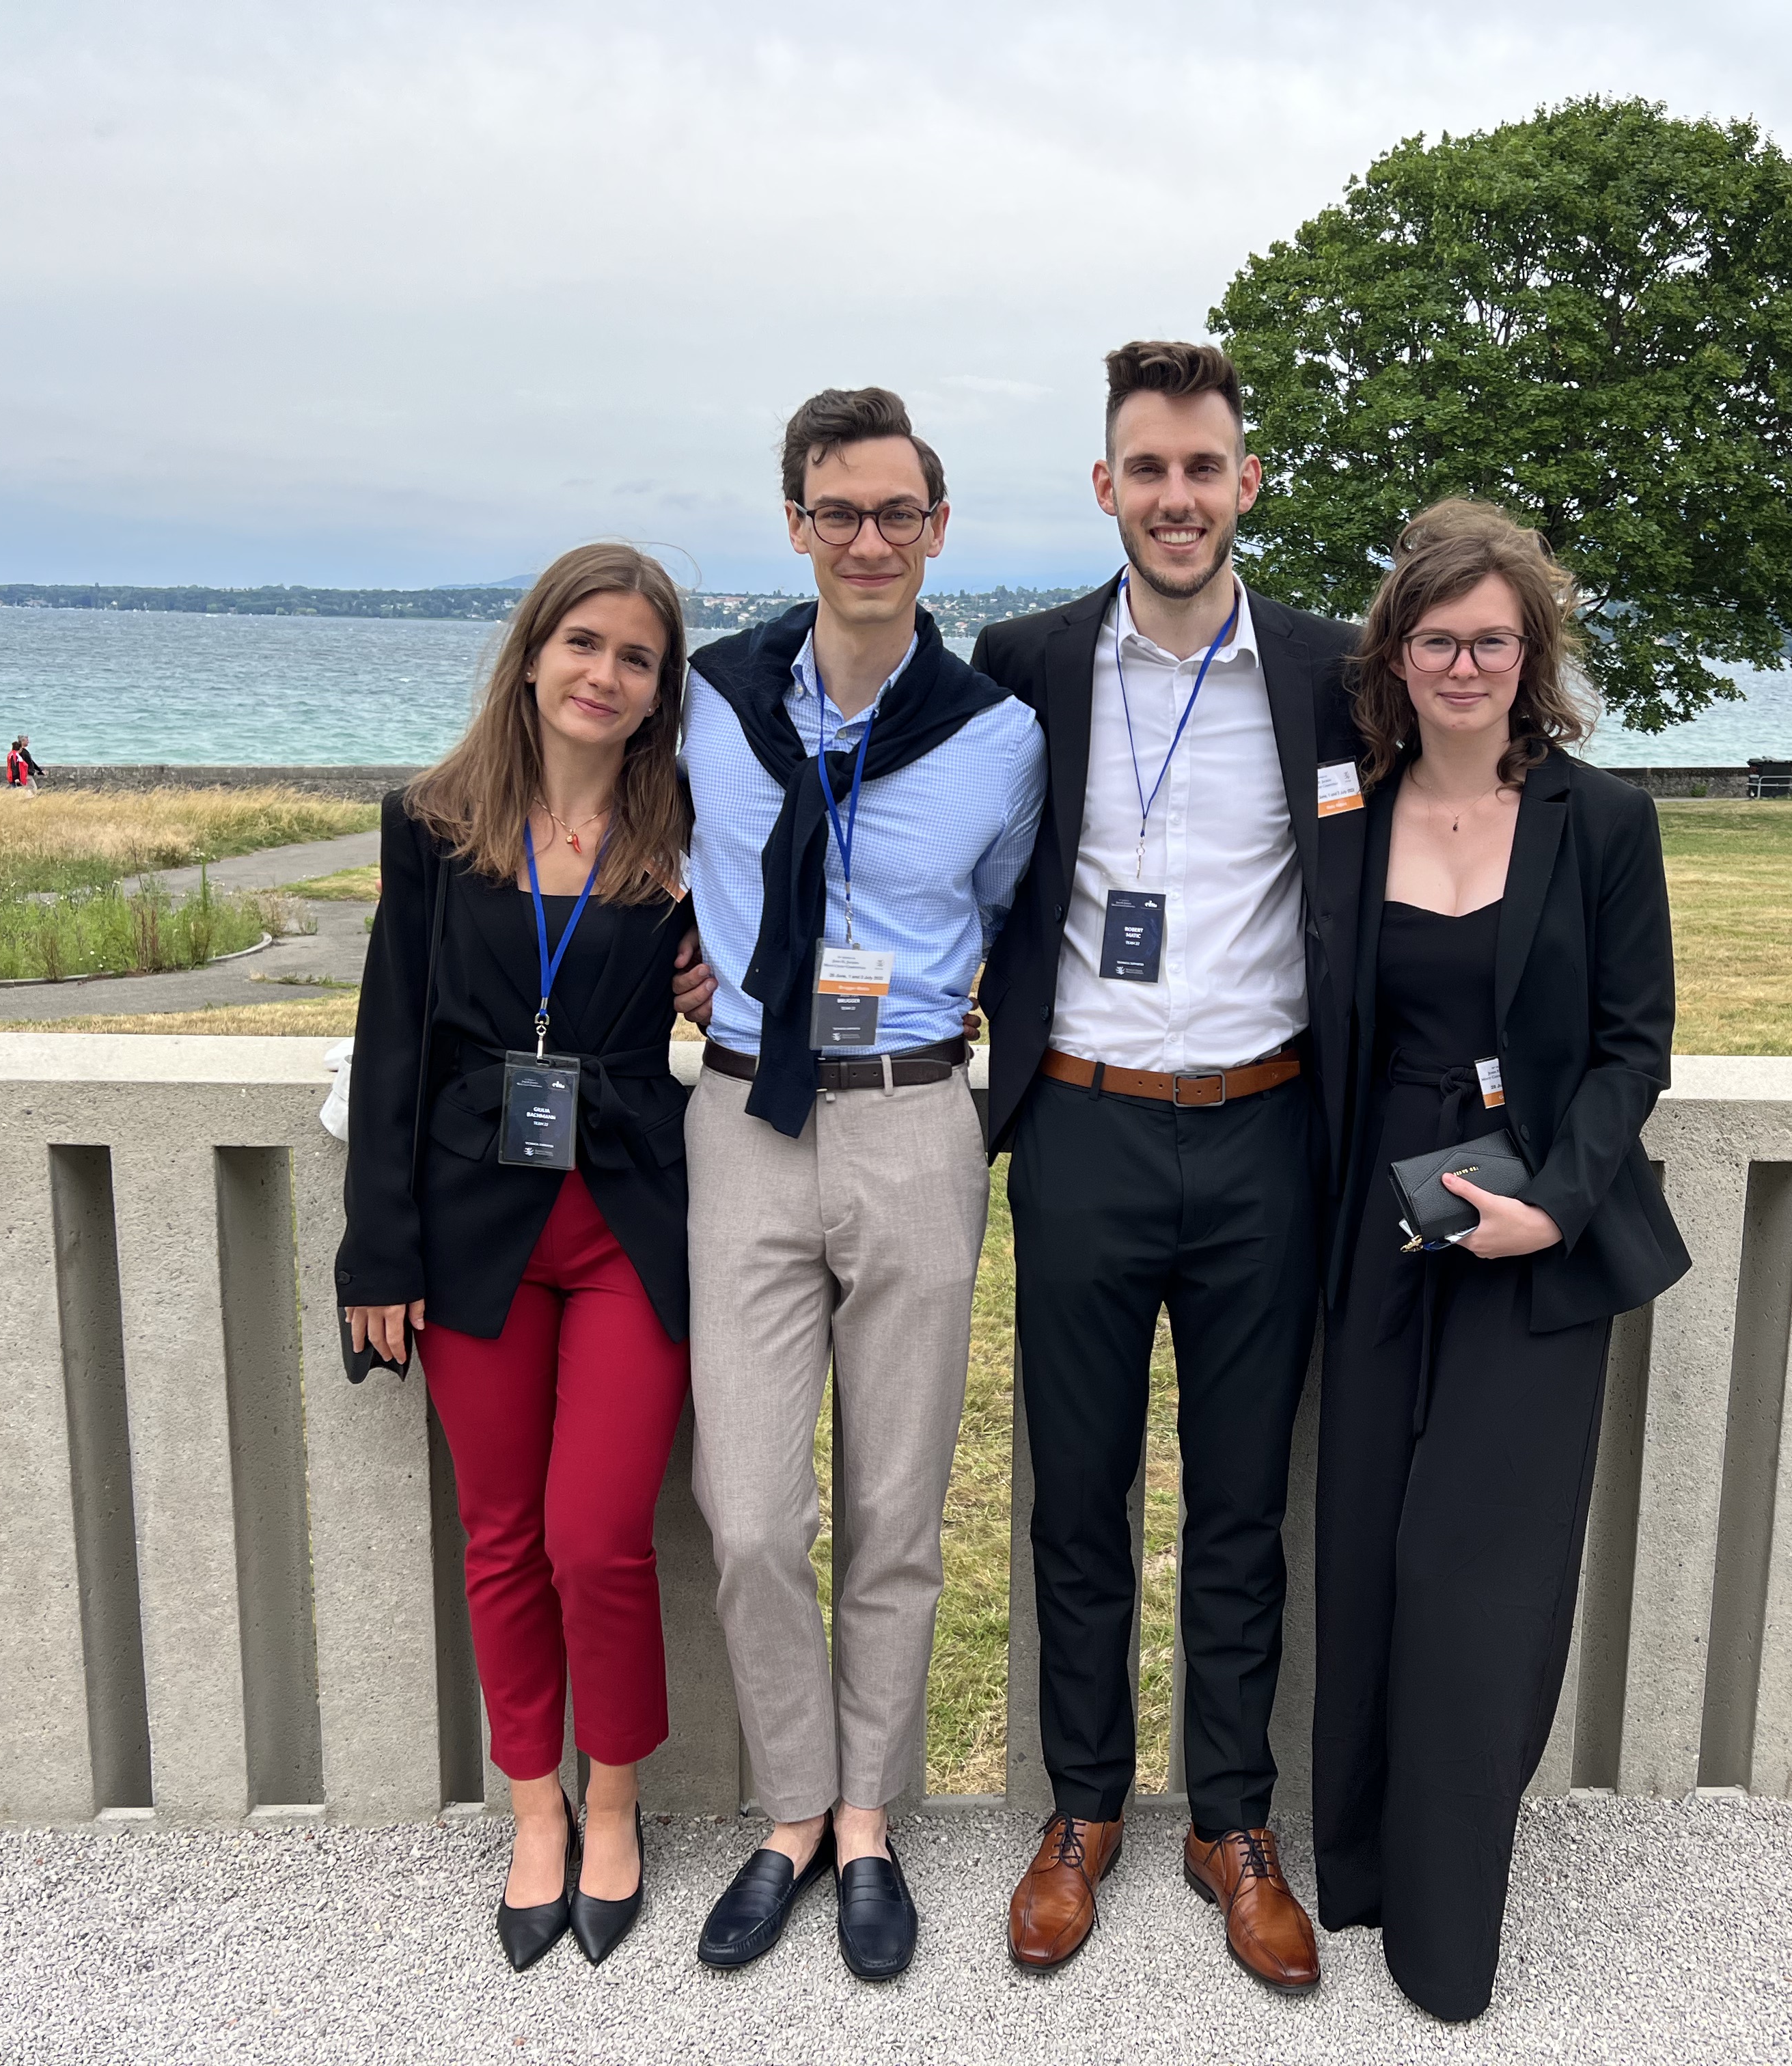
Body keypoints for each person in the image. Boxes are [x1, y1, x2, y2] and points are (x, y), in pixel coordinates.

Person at [969, 341, 1364, 1993]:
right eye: (1149, 468)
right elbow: (922, 841)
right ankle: (1082, 1811)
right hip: (1083, 1125)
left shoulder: (1338, 672)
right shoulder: (1023, 663)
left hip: (1269, 1128)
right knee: (1077, 1494)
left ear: (1245, 484)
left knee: (1240, 1504)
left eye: (1205, 468)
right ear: (1106, 487)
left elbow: (1448, 849)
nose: (1178, 497)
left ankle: (1232, 1821)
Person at [677, 386, 1043, 1983]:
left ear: (937, 529)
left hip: (910, 1121)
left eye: (899, 512)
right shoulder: (709, 699)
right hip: (746, 1118)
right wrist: (681, 953)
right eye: (841, 512)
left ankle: (869, 1822)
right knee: (752, 1513)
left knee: (896, 1506)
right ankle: (790, 1811)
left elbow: (1008, 915)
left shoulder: (997, 736)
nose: (870, 540)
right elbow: (641, 844)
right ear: (796, 526)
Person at [1312, 501, 1691, 2022]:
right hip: (1373, 1216)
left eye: (1492, 640)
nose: (1463, 665)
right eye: (1437, 639)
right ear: (1395, 655)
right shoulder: (1347, 813)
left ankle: (1447, 1918)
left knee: (1479, 1568)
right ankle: (1358, 1868)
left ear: (1531, 655)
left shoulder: (1602, 823)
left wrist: (1559, 1205)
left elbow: (1632, 1046)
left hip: (1535, 1220)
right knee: (1366, 1542)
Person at [336, 542, 700, 1974]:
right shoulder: (431, 823)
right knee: (499, 1535)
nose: (605, 675)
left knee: (595, 1536)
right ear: (535, 654)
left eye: (637, 658)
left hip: (627, 1223)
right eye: (584, 644)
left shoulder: (686, 831)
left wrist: (721, 970)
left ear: (661, 689)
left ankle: (614, 1800)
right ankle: (534, 1807)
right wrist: (378, 1250)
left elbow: (766, 962)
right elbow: (391, 1039)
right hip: (470, 1224)